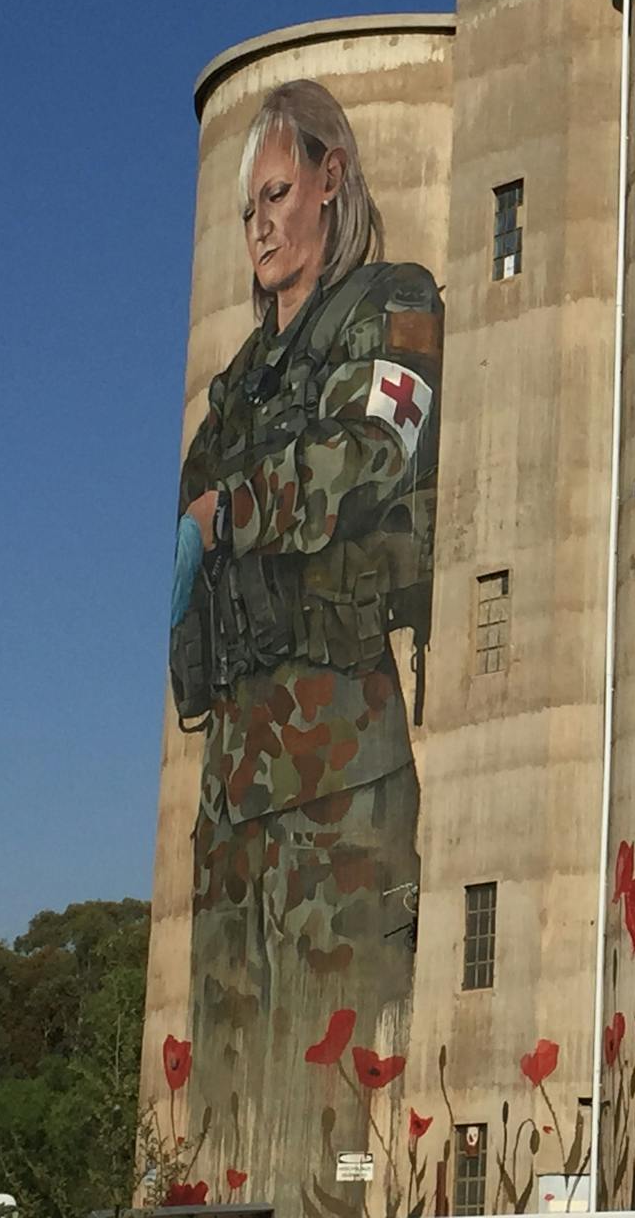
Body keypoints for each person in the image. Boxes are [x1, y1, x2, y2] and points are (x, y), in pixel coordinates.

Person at [169, 78, 438, 1194]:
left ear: (332, 177)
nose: (261, 226)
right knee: (226, 1128)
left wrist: (237, 511)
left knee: (332, 1130)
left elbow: (369, 460)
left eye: (278, 193)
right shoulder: (231, 390)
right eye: (245, 210)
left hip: (337, 784)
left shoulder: (394, 309)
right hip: (235, 795)